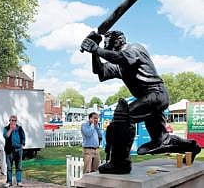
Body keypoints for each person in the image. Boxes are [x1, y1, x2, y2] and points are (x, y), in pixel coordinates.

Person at [80, 31, 201, 174]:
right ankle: (192, 147)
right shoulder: (119, 65)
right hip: (148, 100)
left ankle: (120, 163)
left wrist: (97, 49)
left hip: (155, 94)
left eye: (108, 45)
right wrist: (94, 51)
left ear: (118, 41)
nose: (106, 48)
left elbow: (120, 58)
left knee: (123, 118)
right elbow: (99, 71)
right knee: (162, 140)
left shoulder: (134, 49)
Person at [3, 115, 25, 187]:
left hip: (18, 150)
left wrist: (22, 146)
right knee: (9, 167)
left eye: (15, 120)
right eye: (12, 120)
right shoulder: (6, 128)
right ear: (9, 121)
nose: (13, 122)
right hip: (9, 151)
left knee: (19, 167)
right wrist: (11, 129)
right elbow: (6, 136)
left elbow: (23, 137)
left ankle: (19, 181)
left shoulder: (19, 128)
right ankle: (9, 182)